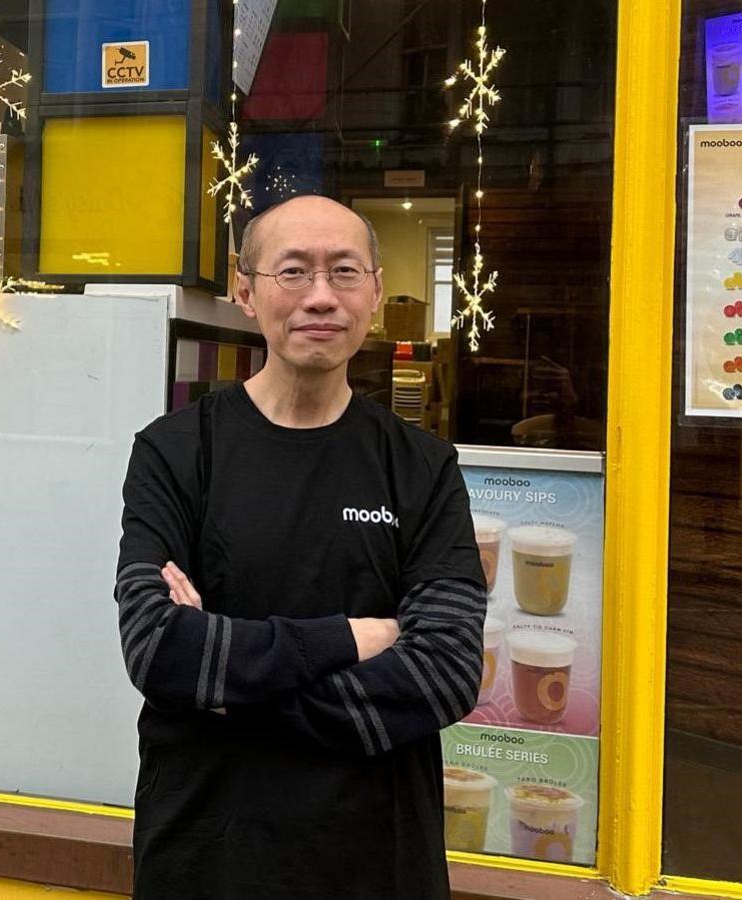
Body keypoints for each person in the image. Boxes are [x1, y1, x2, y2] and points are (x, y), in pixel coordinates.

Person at [115, 195, 487, 899]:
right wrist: (350, 639)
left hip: (378, 858)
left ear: (375, 292)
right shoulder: (175, 454)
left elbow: (445, 669)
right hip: (205, 852)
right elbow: (157, 648)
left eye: (344, 271)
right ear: (245, 290)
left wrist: (224, 688)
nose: (321, 296)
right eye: (294, 271)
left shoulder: (423, 469)